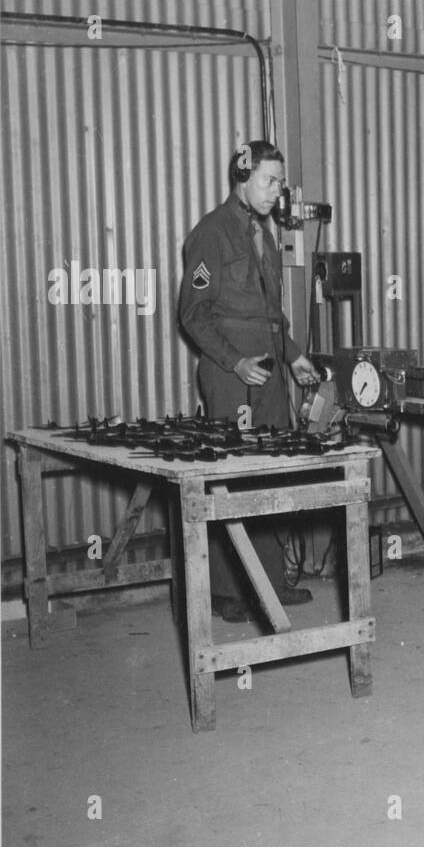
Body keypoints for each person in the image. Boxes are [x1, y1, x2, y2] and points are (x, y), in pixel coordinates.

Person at [178, 140, 322, 623]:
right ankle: (229, 592)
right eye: (270, 181)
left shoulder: (262, 234)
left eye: (279, 181)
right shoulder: (210, 235)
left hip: (270, 375)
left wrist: (296, 356)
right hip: (230, 377)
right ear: (242, 177)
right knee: (231, 479)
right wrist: (235, 362)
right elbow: (193, 316)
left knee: (268, 472)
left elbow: (269, 312)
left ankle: (270, 583)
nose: (277, 191)